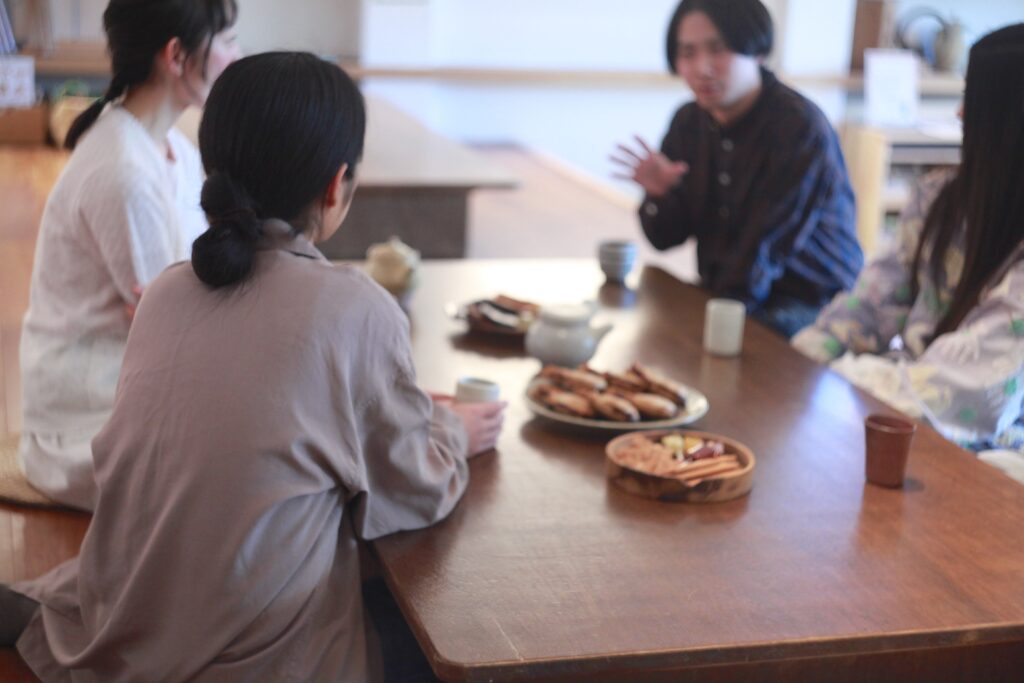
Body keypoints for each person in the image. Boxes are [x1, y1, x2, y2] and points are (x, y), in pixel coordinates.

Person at [4, 51, 507, 681]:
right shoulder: (357, 310)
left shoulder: (166, 293)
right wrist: (454, 431)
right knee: (442, 627)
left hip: (132, 622)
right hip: (255, 663)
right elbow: (413, 487)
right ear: (336, 184)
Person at [18, 0, 242, 509]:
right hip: (85, 426)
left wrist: (179, 307)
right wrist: (180, 309)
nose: (236, 54)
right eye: (227, 40)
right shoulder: (125, 170)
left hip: (138, 386)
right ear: (176, 56)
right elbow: (179, 328)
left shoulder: (170, 148)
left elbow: (178, 309)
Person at [792, 24, 1024, 479]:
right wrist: (801, 359)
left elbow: (960, 392)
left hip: (987, 454)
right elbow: (872, 302)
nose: (959, 113)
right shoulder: (941, 197)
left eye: (973, 100)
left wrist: (835, 379)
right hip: (907, 419)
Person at [612, 0, 862, 338]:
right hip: (734, 291)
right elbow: (665, 238)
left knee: (687, 342)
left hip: (815, 303)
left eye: (718, 49)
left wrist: (713, 320)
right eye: (687, 53)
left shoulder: (798, 127)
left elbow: (763, 249)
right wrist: (660, 195)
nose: (702, 68)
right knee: (640, 321)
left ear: (757, 50)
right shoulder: (689, 122)